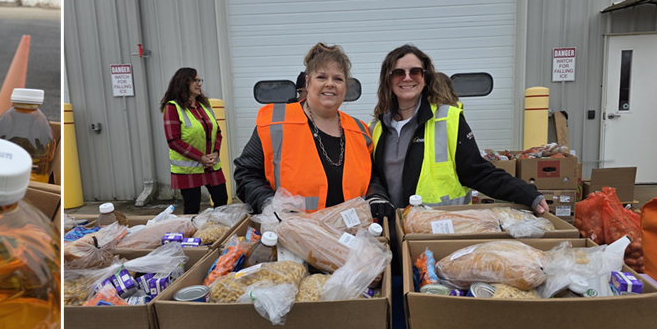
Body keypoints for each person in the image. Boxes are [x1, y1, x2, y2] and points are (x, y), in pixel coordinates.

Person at [365, 44, 546, 223]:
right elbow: (374, 177)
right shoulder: (377, 128)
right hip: (390, 227)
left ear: (425, 77)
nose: (406, 78)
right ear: (388, 80)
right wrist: (377, 198)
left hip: (436, 228)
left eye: (415, 72)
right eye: (398, 73)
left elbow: (478, 172)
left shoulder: (448, 119)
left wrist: (527, 194)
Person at [235, 43, 375, 213]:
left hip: (350, 234)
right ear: (308, 83)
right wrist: (269, 204)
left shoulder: (360, 131)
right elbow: (246, 174)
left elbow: (373, 177)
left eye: (338, 79)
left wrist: (377, 197)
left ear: (345, 86)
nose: (330, 84)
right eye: (322, 77)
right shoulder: (275, 123)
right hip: (290, 234)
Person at [161, 67, 227, 214]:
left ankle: (218, 233)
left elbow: (218, 132)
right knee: (192, 208)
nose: (199, 84)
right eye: (195, 80)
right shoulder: (173, 108)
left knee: (222, 201)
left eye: (199, 80)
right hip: (188, 169)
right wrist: (200, 158)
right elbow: (173, 141)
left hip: (211, 164)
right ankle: (193, 236)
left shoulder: (204, 105)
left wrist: (215, 152)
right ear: (184, 83)